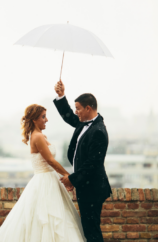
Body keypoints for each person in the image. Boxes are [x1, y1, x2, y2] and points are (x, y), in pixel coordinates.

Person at [0, 104, 86, 242]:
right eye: (43, 117)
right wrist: (69, 177)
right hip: (45, 181)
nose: (46, 120)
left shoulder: (40, 135)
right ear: (34, 119)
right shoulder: (37, 137)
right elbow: (51, 161)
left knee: (52, 218)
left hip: (50, 179)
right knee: (47, 218)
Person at [54, 80, 112, 242]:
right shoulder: (83, 123)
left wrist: (71, 179)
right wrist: (61, 96)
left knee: (91, 230)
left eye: (78, 108)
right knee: (89, 227)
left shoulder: (98, 131)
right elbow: (69, 117)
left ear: (88, 108)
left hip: (92, 188)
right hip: (86, 185)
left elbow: (93, 165)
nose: (76, 112)